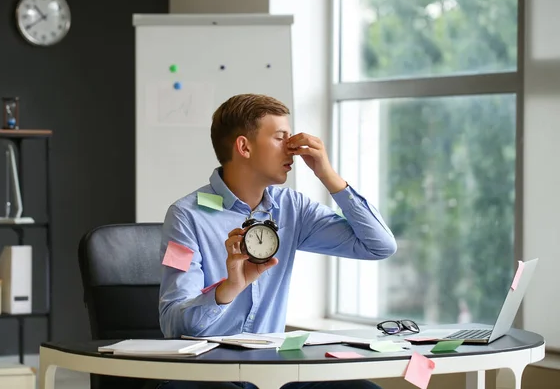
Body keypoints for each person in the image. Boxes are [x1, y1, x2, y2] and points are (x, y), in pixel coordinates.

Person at [156, 94, 397, 389]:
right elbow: (172, 324)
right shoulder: (186, 216)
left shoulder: (292, 208)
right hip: (207, 374)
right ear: (244, 146)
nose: (292, 150)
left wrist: (328, 175)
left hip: (273, 374)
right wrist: (229, 288)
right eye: (281, 138)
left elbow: (380, 245)